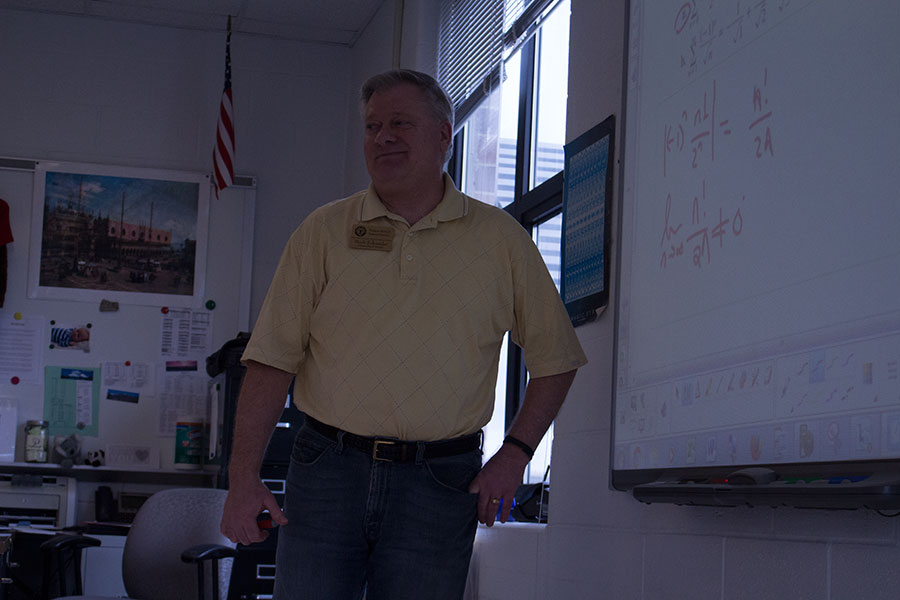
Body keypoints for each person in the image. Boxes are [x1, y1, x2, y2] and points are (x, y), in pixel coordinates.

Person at [220, 69, 587, 600]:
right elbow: (271, 361)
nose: (382, 137)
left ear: (444, 135)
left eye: (399, 123)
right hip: (327, 473)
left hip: (439, 484)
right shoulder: (323, 232)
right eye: (372, 127)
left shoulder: (501, 241)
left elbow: (557, 359)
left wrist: (515, 456)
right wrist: (242, 478)